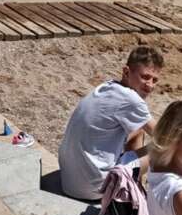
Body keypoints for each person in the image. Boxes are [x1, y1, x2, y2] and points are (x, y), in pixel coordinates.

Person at [58, 46, 164, 200]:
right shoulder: (131, 100)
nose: (150, 85)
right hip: (93, 188)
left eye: (155, 80)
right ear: (126, 72)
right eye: (145, 77)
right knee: (164, 147)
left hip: (68, 182)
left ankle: (132, 184)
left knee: (138, 130)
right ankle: (134, 191)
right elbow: (162, 136)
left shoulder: (107, 87)